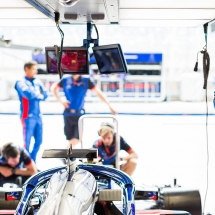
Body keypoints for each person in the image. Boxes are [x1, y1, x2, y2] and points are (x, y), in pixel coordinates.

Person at [51, 75, 116, 148]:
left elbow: (98, 92)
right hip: (67, 113)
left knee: (78, 138)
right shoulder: (65, 79)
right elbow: (53, 88)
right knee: (70, 138)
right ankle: (68, 155)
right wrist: (61, 101)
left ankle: (66, 153)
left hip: (79, 114)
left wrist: (109, 105)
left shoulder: (86, 80)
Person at [14, 61, 48, 163]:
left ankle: (32, 161)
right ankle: (25, 164)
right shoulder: (20, 82)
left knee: (39, 141)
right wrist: (38, 94)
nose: (36, 71)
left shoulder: (37, 81)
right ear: (26, 69)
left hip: (38, 116)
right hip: (27, 116)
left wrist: (36, 94)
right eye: (34, 69)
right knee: (26, 142)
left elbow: (45, 94)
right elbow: (28, 94)